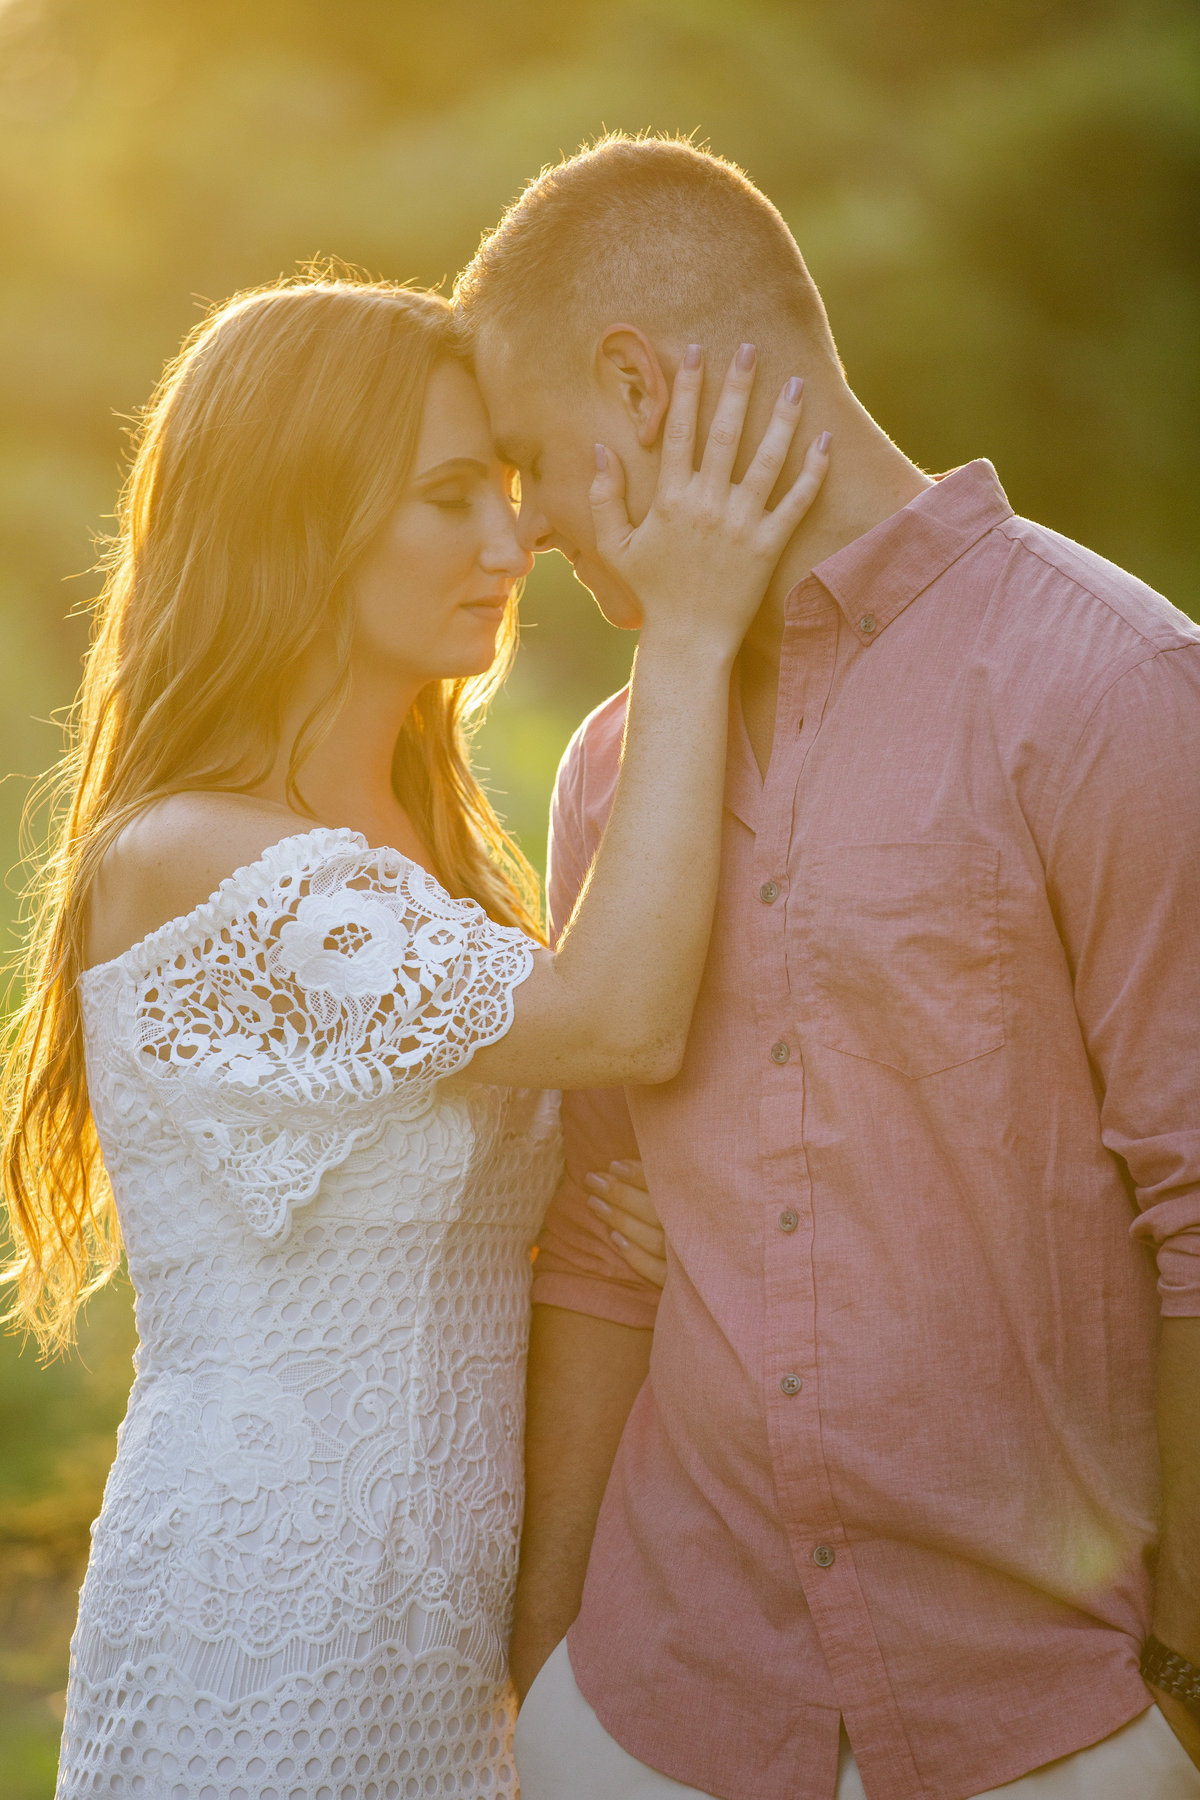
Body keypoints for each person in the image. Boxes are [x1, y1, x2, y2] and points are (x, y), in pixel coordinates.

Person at [0, 273, 828, 1798]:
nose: (514, 548)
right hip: (258, 1643)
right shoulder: (200, 858)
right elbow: (619, 1020)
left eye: (509, 497)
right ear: (294, 516)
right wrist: (693, 632)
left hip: (444, 1642)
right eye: (452, 499)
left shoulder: (433, 866)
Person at [454, 133, 1200, 1799]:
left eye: (532, 459)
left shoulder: (1119, 691)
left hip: (1057, 1727)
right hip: (660, 1711)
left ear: (635, 385)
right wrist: (548, 1666)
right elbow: (603, 1236)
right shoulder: (609, 769)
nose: (531, 528)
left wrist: (1183, 1682)